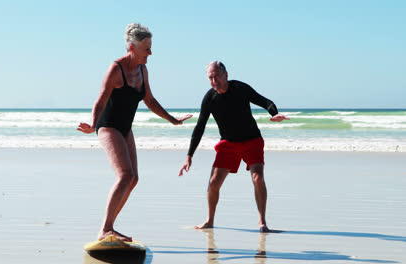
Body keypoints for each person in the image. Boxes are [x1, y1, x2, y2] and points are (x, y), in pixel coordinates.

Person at [78, 23, 191, 242]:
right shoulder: (116, 69)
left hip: (125, 128)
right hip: (108, 125)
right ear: (132, 48)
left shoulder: (142, 70)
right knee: (125, 176)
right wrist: (93, 124)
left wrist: (173, 120)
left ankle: (109, 226)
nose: (150, 52)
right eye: (146, 48)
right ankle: (105, 229)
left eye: (150, 47)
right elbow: (100, 100)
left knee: (134, 178)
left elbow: (149, 100)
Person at [179, 61, 289, 232]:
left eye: (217, 76)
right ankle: (209, 220)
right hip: (228, 143)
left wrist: (274, 113)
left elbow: (264, 101)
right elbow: (199, 127)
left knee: (258, 178)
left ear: (226, 75)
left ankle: (262, 223)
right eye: (210, 77)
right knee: (214, 182)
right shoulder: (210, 98)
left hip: (252, 140)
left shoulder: (240, 88)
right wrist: (189, 155)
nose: (214, 80)